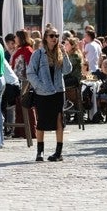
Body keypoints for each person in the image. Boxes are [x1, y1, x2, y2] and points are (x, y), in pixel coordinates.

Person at [26, 27, 72, 161]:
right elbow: (30, 73)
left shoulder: (59, 53)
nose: (54, 38)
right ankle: (39, 152)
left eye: (57, 36)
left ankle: (59, 152)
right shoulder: (38, 54)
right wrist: (40, 86)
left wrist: (65, 54)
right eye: (52, 36)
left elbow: (67, 70)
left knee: (59, 120)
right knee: (41, 121)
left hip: (58, 91)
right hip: (43, 93)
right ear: (46, 38)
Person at [10, 30, 36, 138]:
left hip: (25, 82)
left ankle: (30, 131)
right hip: (18, 81)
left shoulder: (27, 50)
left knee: (27, 107)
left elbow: (31, 67)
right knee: (20, 107)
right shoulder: (20, 49)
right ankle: (20, 131)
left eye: (16, 37)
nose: (14, 39)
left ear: (20, 38)